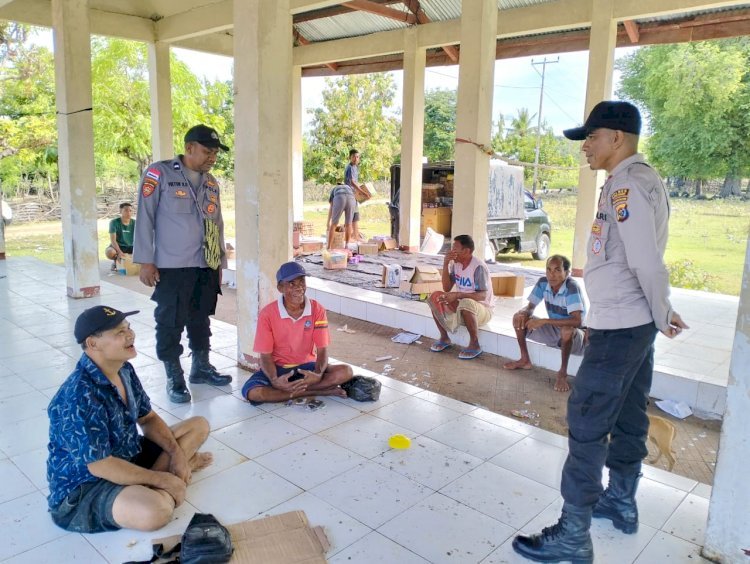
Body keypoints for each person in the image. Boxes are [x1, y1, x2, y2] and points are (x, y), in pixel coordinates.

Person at [512, 101, 688, 563]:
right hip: (633, 325)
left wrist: (662, 309)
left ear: (618, 138)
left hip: (619, 329)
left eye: (591, 137)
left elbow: (646, 261)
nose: (585, 147)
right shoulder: (635, 181)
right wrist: (658, 313)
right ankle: (621, 502)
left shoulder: (627, 185)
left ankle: (572, 535)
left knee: (588, 424)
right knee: (630, 415)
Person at [46, 306, 213, 534]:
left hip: (128, 456)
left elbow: (149, 418)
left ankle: (166, 476)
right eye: (118, 332)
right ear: (92, 344)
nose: (130, 335)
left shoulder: (124, 370)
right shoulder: (79, 394)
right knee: (156, 512)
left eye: (128, 328)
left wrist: (176, 454)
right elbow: (100, 465)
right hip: (87, 485)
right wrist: (163, 480)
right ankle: (167, 482)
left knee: (198, 425)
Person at [133, 124, 232, 404]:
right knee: (170, 321)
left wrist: (219, 262)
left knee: (200, 317)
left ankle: (200, 367)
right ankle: (174, 376)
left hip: (205, 264)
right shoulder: (160, 173)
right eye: (206, 151)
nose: (212, 157)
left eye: (215, 153)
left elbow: (217, 225)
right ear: (189, 148)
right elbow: (145, 216)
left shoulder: (211, 182)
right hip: (172, 266)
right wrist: (145, 260)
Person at [241, 262, 354, 404]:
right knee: (253, 393)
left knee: (346, 372)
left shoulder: (317, 309)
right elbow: (265, 355)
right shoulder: (267, 314)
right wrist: (275, 380)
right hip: (278, 369)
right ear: (280, 288)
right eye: (291, 283)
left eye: (302, 281)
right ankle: (317, 391)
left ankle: (290, 392)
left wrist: (318, 374)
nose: (299, 287)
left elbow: (322, 349)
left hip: (307, 369)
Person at [503, 254, 586, 392]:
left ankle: (562, 374)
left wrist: (544, 321)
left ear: (567, 273)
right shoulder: (543, 282)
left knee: (566, 330)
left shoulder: (571, 287)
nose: (552, 275)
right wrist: (523, 313)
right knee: (518, 318)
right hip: (554, 330)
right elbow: (530, 307)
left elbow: (577, 321)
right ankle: (525, 360)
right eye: (548, 270)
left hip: (576, 336)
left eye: (557, 270)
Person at [428, 234, 494, 360]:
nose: (451, 251)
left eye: (455, 248)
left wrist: (458, 295)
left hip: (483, 310)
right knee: (436, 297)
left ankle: (475, 344)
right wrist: (445, 263)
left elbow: (482, 296)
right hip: (464, 306)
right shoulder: (456, 265)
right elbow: (446, 288)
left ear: (466, 251)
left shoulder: (478, 267)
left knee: (466, 302)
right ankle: (444, 338)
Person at [105, 202, 136, 271]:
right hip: (118, 246)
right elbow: (113, 240)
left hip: (131, 246)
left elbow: (139, 239)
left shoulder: (135, 223)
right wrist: (119, 252)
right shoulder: (114, 222)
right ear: (120, 211)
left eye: (130, 211)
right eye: (126, 210)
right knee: (110, 252)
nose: (128, 212)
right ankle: (116, 262)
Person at [344, 149, 367, 241]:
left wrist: (361, 189)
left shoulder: (355, 168)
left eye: (357, 157)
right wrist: (363, 192)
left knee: (355, 217)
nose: (355, 159)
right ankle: (349, 238)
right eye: (353, 157)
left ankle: (356, 236)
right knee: (350, 218)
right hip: (349, 195)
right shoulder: (349, 167)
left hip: (354, 195)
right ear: (350, 157)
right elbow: (352, 183)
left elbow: (356, 183)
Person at [326, 184, 356, 249]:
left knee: (334, 224)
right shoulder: (349, 187)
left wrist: (328, 223)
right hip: (351, 198)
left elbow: (331, 207)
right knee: (348, 223)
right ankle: (347, 246)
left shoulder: (334, 189)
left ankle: (328, 248)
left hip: (340, 197)